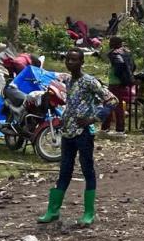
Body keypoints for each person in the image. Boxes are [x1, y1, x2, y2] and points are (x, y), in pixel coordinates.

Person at [37, 49, 118, 226]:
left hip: (83, 133)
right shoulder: (68, 81)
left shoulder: (89, 81)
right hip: (67, 132)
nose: (70, 62)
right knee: (64, 170)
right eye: (68, 59)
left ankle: (88, 212)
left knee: (87, 169)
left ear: (82, 62)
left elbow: (112, 100)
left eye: (74, 60)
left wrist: (94, 117)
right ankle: (53, 210)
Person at [102, 36, 135, 136]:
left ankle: (116, 129)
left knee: (113, 105)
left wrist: (119, 75)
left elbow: (119, 64)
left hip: (115, 83)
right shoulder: (127, 53)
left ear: (115, 43)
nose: (109, 44)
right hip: (122, 83)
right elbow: (134, 66)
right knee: (115, 104)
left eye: (111, 42)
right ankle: (107, 128)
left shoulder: (115, 53)